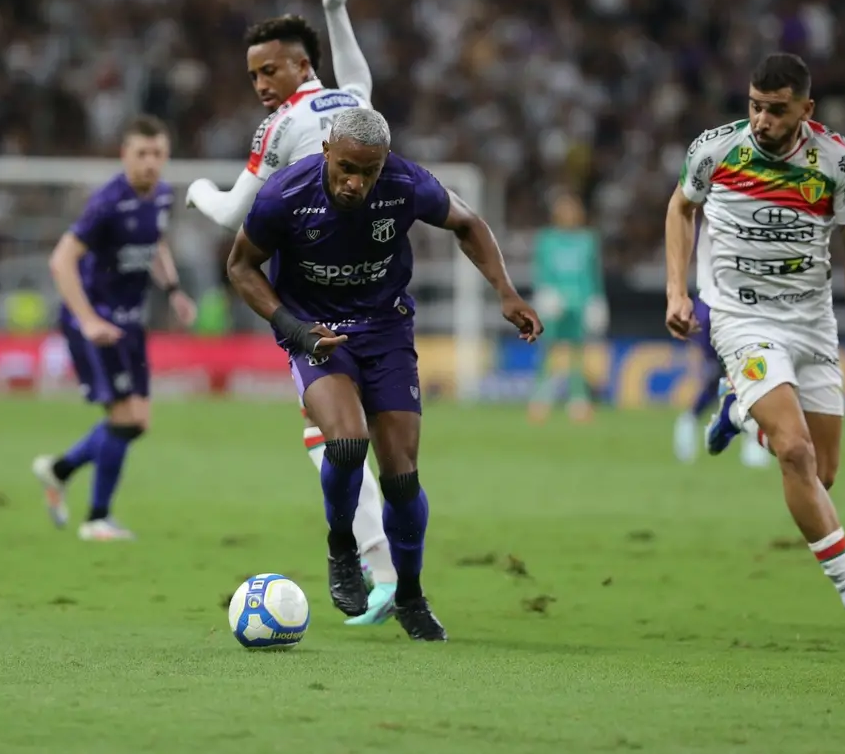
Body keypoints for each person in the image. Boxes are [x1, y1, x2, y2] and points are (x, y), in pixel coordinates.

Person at [226, 109, 543, 640]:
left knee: (401, 478)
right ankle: (342, 549)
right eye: (346, 168)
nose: (356, 182)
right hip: (316, 331)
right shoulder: (285, 194)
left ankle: (411, 595)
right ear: (326, 151)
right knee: (348, 442)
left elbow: (468, 223)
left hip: (385, 329)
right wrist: (294, 329)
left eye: (368, 172)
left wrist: (506, 293)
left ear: (384, 164)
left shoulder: (406, 183)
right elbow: (240, 266)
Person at [187, 0, 399, 625]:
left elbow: (230, 215)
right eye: (253, 74)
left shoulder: (279, 127)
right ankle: (388, 566)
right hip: (373, 279)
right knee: (361, 432)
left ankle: (380, 566)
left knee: (330, 433)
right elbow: (359, 77)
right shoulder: (350, 110)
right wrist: (337, 6)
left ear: (301, 65)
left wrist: (194, 189)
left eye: (269, 70)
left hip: (310, 289)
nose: (260, 84)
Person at [664, 53, 845, 640]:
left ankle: (738, 411)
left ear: (806, 109)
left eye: (777, 110)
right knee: (794, 451)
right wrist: (677, 290)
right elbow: (681, 206)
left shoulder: (835, 160)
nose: (762, 120)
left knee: (822, 473)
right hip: (741, 316)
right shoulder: (716, 150)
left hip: (811, 321)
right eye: (755, 107)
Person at [32, 116, 197, 541]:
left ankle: (59, 470)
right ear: (125, 155)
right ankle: (97, 518)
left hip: (130, 322)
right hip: (97, 322)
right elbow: (61, 260)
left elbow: (155, 244)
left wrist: (173, 290)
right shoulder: (106, 203)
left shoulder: (162, 195)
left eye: (158, 153)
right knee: (125, 418)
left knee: (138, 421)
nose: (150, 162)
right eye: (142, 153)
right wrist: (88, 320)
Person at [672, 214, 771, 468]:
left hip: (743, 305)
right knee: (723, 376)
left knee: (749, 375)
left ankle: (751, 440)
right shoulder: (716, 222)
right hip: (715, 306)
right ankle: (691, 420)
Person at [527, 193, 604, 423]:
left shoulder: (587, 240)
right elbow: (541, 271)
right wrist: (545, 294)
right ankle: (540, 397)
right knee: (547, 349)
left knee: (577, 352)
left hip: (579, 302)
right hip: (555, 303)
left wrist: (596, 300)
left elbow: (592, 274)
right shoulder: (547, 240)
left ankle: (578, 399)